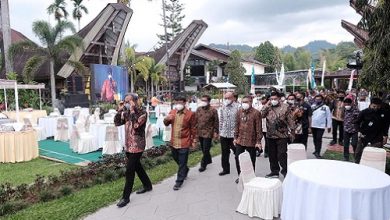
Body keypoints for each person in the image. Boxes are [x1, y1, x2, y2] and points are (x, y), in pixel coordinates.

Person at [115, 93, 152, 208]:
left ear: (135, 101)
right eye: (125, 101)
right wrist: (119, 110)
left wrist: (132, 109)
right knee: (137, 167)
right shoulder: (126, 113)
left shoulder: (142, 113)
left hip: (138, 145)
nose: (126, 103)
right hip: (128, 145)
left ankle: (125, 197)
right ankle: (147, 185)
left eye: (129, 101)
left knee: (130, 170)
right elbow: (117, 123)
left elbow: (136, 125)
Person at [163, 96, 197, 190]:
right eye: (177, 102)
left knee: (182, 162)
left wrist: (194, 140)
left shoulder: (190, 114)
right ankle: (185, 170)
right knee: (175, 158)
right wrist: (166, 119)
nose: (178, 104)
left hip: (184, 142)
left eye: (181, 102)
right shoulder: (172, 112)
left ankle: (179, 181)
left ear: (185, 103)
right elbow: (166, 123)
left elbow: (193, 128)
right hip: (174, 141)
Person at [262, 92, 295, 178]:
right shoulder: (268, 107)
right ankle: (274, 171)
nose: (273, 100)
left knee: (282, 154)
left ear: (279, 99)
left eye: (275, 99)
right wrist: (267, 105)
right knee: (272, 155)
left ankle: (285, 171)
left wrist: (292, 131)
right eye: (271, 99)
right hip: (270, 135)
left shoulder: (285, 107)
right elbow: (261, 115)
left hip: (282, 135)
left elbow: (290, 119)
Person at [234, 95, 263, 178]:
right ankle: (240, 176)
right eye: (243, 102)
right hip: (240, 139)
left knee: (251, 159)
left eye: (246, 102)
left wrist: (258, 141)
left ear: (251, 102)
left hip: (251, 140)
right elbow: (236, 125)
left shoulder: (256, 113)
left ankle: (250, 176)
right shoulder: (239, 112)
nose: (244, 104)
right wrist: (235, 138)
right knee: (237, 157)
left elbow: (258, 128)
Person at [355, 98, 388, 163]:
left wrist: (385, 135)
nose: (376, 108)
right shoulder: (364, 112)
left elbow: (385, 125)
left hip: (377, 137)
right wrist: (359, 131)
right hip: (364, 135)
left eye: (378, 106)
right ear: (370, 105)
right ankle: (357, 165)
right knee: (358, 153)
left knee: (374, 154)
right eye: (374, 106)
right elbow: (357, 123)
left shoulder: (383, 113)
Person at [218, 92, 240, 176]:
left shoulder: (238, 107)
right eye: (225, 98)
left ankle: (241, 171)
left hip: (234, 135)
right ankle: (225, 169)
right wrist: (220, 131)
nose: (227, 100)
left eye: (229, 98)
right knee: (224, 153)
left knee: (237, 153)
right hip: (224, 134)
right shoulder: (223, 107)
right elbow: (221, 120)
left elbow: (240, 121)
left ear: (233, 98)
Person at [195, 95, 219, 172]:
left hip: (208, 132)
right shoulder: (198, 109)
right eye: (202, 100)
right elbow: (195, 120)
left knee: (205, 149)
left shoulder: (213, 110)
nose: (203, 102)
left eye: (204, 100)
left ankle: (203, 165)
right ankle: (209, 159)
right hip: (200, 131)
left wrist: (216, 132)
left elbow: (216, 122)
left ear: (208, 101)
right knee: (203, 148)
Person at [311, 94, 332, 159]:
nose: (318, 100)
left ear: (322, 99)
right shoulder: (312, 106)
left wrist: (329, 126)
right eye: (316, 99)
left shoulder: (326, 107)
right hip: (313, 125)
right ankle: (316, 150)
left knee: (318, 138)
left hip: (321, 126)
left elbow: (329, 117)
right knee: (314, 139)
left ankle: (318, 152)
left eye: (319, 99)